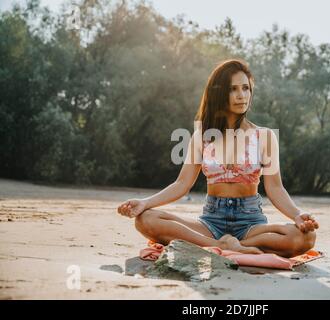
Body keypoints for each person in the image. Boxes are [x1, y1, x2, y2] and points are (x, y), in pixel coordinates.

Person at [117, 59, 318, 257]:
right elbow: (181, 184)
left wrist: (297, 214)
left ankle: (228, 246)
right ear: (219, 93)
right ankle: (223, 246)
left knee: (305, 238)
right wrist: (145, 202)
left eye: (246, 88)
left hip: (251, 223)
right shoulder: (201, 136)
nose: (242, 95)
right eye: (233, 89)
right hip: (210, 222)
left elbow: (275, 188)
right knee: (145, 219)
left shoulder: (264, 136)